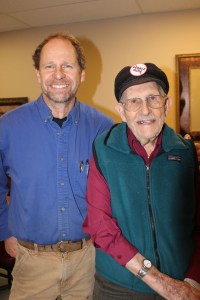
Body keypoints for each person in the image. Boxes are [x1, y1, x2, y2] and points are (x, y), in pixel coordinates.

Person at [0, 33, 114, 300]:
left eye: (68, 65)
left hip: (88, 262)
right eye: (49, 66)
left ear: (82, 73)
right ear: (38, 74)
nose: (58, 74)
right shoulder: (7, 127)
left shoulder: (103, 128)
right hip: (31, 262)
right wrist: (4, 230)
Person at [83, 62, 200, 299]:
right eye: (133, 101)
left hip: (182, 283)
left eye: (153, 98)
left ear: (166, 105)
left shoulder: (186, 152)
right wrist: (159, 282)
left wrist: (193, 279)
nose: (144, 109)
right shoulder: (103, 150)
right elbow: (100, 226)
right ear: (121, 110)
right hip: (119, 287)